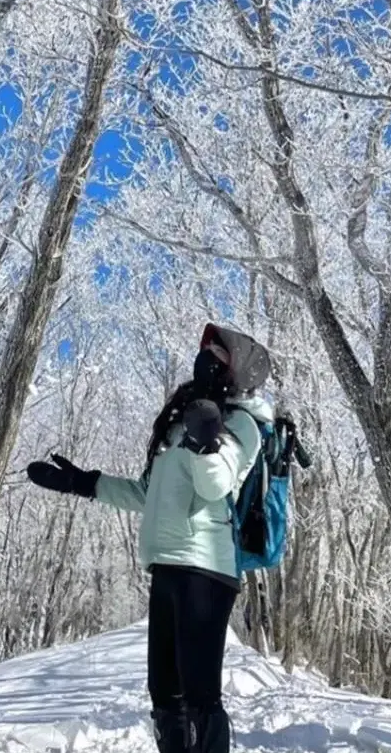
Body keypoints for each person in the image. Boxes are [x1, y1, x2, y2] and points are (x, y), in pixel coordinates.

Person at [26, 323, 274, 753]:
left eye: (215, 357)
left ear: (234, 370)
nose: (203, 363)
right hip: (166, 564)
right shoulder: (181, 423)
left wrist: (206, 440)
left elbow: (216, 485)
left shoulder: (242, 424)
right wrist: (83, 483)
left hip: (208, 570)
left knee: (201, 698)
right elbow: (147, 493)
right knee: (164, 696)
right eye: (203, 355)